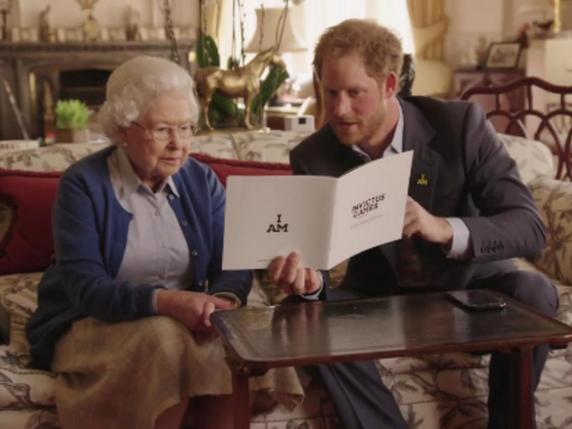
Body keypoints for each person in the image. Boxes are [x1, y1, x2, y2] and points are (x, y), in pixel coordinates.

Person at [269, 19, 558, 429]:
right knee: (300, 315)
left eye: (355, 94)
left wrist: (445, 228)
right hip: (379, 300)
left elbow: (529, 226)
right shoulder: (313, 156)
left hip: (469, 291)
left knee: (535, 290)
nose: (338, 109)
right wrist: (308, 282)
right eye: (330, 92)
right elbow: (312, 260)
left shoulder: (459, 127)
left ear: (389, 85)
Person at [26, 56, 303, 429]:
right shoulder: (83, 185)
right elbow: (85, 288)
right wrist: (168, 302)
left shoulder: (201, 181)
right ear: (124, 129)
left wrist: (222, 305)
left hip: (184, 319)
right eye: (161, 130)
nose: (178, 144)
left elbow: (232, 260)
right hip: (93, 320)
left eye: (186, 128)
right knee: (165, 338)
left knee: (230, 337)